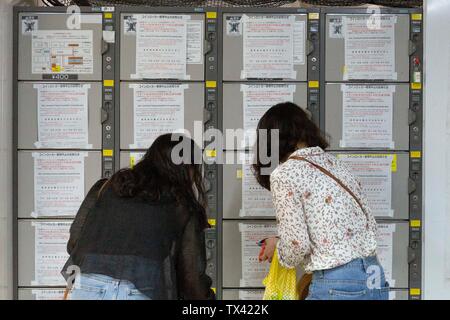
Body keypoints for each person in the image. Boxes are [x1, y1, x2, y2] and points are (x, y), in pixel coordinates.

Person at [253, 102, 389, 300]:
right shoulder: (335, 164)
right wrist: (280, 242)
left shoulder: (284, 174)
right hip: (374, 274)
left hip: (338, 282)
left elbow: (297, 247)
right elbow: (368, 224)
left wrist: (280, 251)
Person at [61, 133, 215, 300]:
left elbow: (76, 241)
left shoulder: (105, 187)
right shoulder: (182, 207)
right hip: (140, 291)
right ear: (187, 169)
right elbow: (191, 277)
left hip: (88, 287)